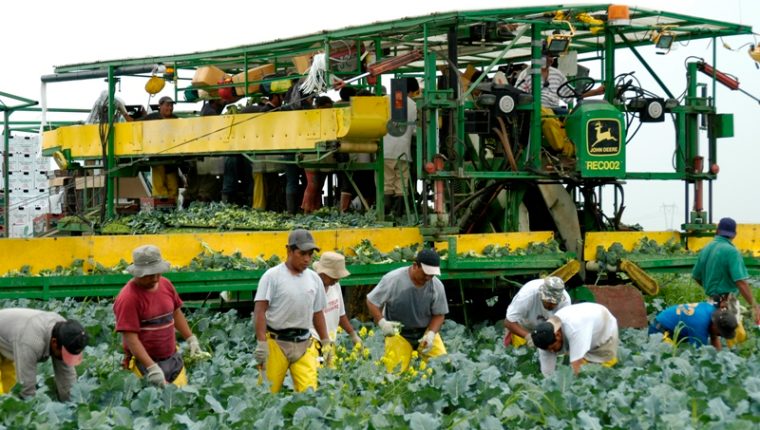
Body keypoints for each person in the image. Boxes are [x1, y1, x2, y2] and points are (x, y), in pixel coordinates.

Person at [114, 245, 205, 387]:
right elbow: (131, 338)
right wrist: (152, 368)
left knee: (180, 402)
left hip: (172, 359)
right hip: (143, 364)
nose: (156, 278)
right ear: (138, 273)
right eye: (150, 275)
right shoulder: (128, 298)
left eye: (158, 273)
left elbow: (175, 312)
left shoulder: (166, 285)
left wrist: (190, 338)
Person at [253, 229, 332, 393]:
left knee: (310, 394)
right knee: (266, 394)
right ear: (289, 250)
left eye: (310, 254)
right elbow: (260, 311)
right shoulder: (272, 276)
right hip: (276, 342)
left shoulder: (314, 279)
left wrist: (325, 342)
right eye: (302, 254)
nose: (307, 259)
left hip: (304, 342)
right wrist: (261, 343)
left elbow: (318, 313)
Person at [366, 248, 448, 372]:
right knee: (395, 376)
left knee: (443, 367)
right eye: (425, 273)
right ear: (415, 266)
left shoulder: (437, 286)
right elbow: (372, 301)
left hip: (425, 331)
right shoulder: (393, 280)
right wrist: (382, 323)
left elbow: (439, 314)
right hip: (398, 332)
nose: (428, 278)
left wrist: (431, 335)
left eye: (431, 275)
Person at [515, 46, 604, 157]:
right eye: (548, 56)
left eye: (552, 57)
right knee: (547, 118)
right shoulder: (526, 74)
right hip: (536, 110)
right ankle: (564, 150)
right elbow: (519, 96)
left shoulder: (557, 74)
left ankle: (584, 153)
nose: (551, 60)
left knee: (577, 118)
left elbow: (570, 95)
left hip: (555, 111)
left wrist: (596, 92)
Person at [692, 217, 759, 346]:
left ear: (717, 230)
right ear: (734, 235)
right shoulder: (732, 252)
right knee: (737, 340)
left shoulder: (706, 248)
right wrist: (754, 305)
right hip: (727, 302)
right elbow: (741, 282)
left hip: (711, 301)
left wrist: (711, 289)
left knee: (714, 335)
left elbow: (696, 276)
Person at [0, 310, 88, 401]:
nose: (66, 358)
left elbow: (67, 377)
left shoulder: (65, 331)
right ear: (54, 342)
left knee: (9, 385)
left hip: (12, 334)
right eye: (66, 354)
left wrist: (73, 405)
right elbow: (27, 390)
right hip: (18, 335)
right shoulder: (31, 342)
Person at [531, 302, 618, 376]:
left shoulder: (574, 329)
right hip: (584, 325)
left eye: (553, 348)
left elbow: (576, 365)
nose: (553, 352)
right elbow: (547, 373)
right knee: (585, 366)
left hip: (603, 325)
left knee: (604, 370)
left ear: (557, 335)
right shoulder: (544, 338)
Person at [383, 77, 419, 218]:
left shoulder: (385, 100)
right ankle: (399, 214)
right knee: (401, 184)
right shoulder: (413, 105)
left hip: (384, 150)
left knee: (386, 182)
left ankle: (385, 214)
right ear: (410, 90)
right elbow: (415, 130)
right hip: (404, 150)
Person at [310, 251, 362, 346]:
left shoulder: (335, 285)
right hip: (313, 342)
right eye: (334, 276)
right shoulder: (311, 288)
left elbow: (340, 315)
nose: (337, 280)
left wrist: (353, 334)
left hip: (330, 341)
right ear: (322, 273)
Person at [503, 276, 571, 347]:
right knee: (519, 353)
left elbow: (564, 327)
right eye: (548, 301)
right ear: (541, 295)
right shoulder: (527, 295)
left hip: (548, 330)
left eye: (554, 303)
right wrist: (528, 337)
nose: (550, 306)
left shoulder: (565, 301)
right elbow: (508, 322)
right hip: (522, 327)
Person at [649, 302, 737, 350]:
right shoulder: (700, 325)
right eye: (720, 333)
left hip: (669, 326)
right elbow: (697, 355)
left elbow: (714, 337)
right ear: (715, 326)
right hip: (658, 331)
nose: (719, 336)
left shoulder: (712, 312)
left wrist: (719, 357)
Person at [140, 96, 181, 198]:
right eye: (167, 105)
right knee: (159, 188)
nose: (170, 108)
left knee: (173, 188)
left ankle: (172, 208)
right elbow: (136, 124)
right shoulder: (152, 117)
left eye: (171, 105)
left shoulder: (175, 119)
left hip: (172, 159)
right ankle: (161, 208)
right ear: (160, 106)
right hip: (157, 158)